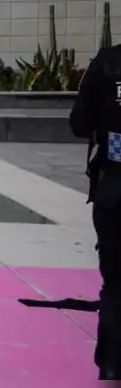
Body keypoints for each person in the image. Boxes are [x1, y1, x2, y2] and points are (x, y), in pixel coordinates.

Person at [68, 41, 121, 380]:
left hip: (114, 188)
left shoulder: (108, 62)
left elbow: (79, 123)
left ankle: (112, 365)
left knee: (115, 283)